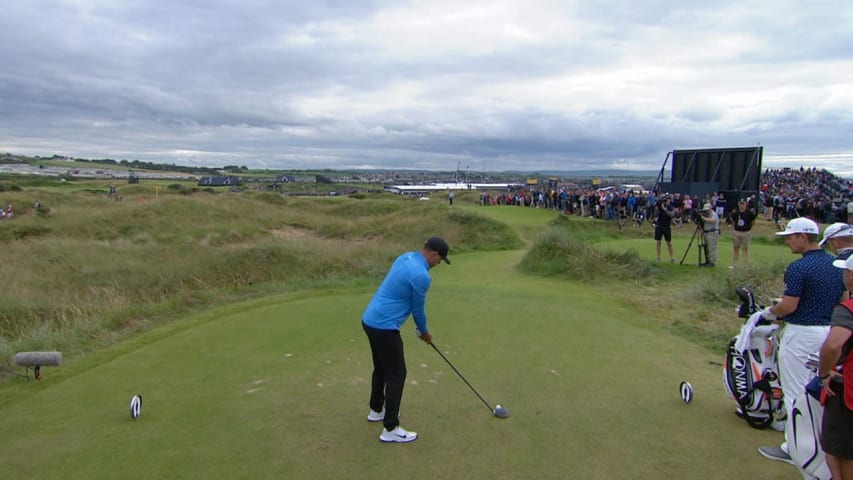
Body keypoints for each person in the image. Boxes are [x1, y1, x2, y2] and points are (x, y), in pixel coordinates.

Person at [758, 218, 847, 464]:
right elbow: (842, 298)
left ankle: (794, 447)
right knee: (820, 389)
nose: (787, 241)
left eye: (790, 237)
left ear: (803, 238)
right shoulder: (837, 264)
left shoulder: (799, 268)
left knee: (796, 389)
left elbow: (789, 305)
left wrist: (770, 311)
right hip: (830, 331)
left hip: (802, 333)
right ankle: (819, 444)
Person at [361, 237, 451, 443]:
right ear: (434, 254)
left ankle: (376, 410)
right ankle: (390, 428)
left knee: (382, 369)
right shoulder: (422, 276)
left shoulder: (406, 257)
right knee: (397, 374)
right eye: (440, 259)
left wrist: (420, 329)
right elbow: (418, 310)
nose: (439, 264)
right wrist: (425, 332)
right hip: (384, 327)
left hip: (369, 320)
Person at [818, 256, 853, 479]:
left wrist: (823, 373)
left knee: (842, 452)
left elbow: (833, 345)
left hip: (848, 389)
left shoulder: (847, 310)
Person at [729, 199, 757, 269]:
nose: (742, 205)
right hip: (737, 231)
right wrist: (734, 230)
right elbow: (733, 222)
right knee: (736, 248)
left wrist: (748, 228)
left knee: (745, 248)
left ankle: (746, 265)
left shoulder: (749, 213)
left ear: (745, 204)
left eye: (743, 204)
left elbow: (753, 222)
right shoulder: (736, 213)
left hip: (746, 232)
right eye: (740, 204)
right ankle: (734, 264)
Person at [653, 195, 676, 263]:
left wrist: (665, 209)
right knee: (658, 242)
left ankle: (672, 257)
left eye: (667, 200)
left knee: (669, 243)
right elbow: (655, 215)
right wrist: (657, 207)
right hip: (659, 225)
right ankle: (658, 257)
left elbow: (671, 215)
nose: (666, 202)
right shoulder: (659, 207)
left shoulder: (671, 208)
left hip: (667, 226)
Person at [698, 203, 720, 267]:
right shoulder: (706, 215)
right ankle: (708, 260)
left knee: (712, 247)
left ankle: (712, 262)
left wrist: (703, 218)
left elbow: (712, 221)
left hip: (712, 232)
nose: (706, 211)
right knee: (706, 248)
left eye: (707, 210)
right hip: (706, 232)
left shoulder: (714, 214)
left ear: (710, 208)